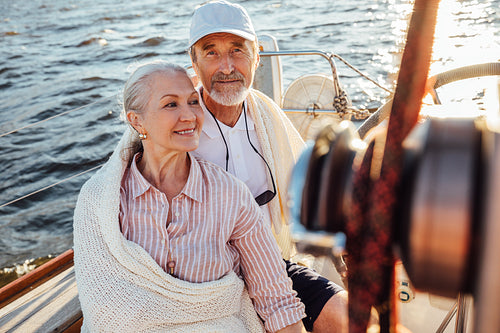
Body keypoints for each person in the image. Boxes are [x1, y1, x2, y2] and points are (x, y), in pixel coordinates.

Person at [73, 60, 306, 332]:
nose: (189, 116)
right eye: (171, 104)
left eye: (193, 102)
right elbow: (103, 308)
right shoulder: (101, 200)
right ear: (136, 121)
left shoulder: (230, 195)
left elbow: (276, 298)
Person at [187, 1, 349, 332]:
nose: (227, 67)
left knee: (349, 315)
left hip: (272, 265)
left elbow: (307, 190)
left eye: (237, 50)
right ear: (194, 62)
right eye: (212, 52)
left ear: (257, 57)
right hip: (205, 281)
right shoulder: (177, 125)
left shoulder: (267, 117)